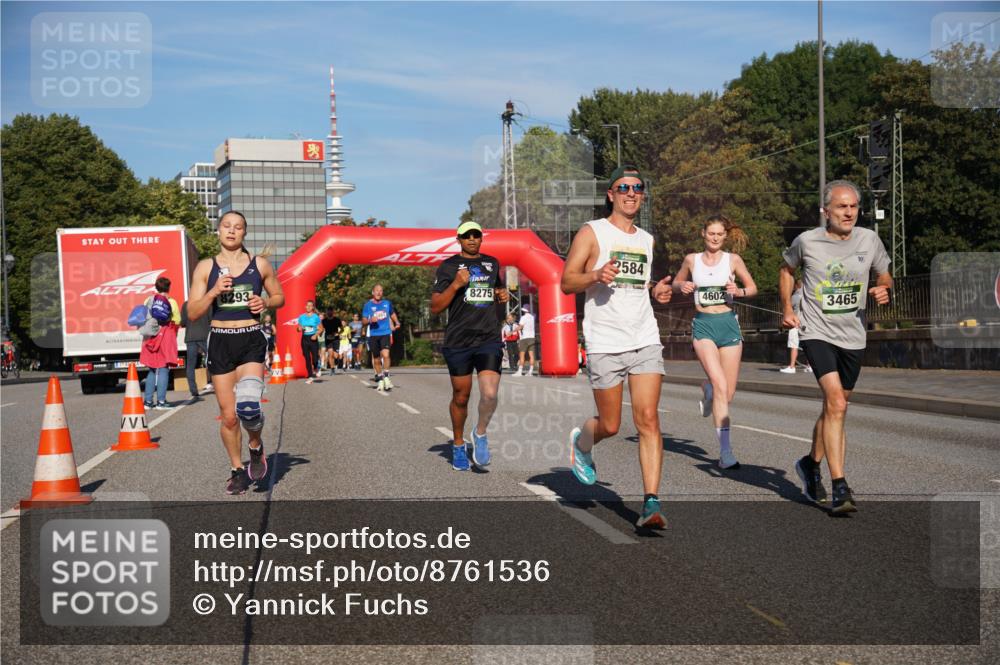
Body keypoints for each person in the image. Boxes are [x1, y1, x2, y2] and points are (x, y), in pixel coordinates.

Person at [560, 165, 673, 528]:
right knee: (610, 424)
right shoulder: (592, 232)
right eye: (623, 187)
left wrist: (657, 291)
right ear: (611, 194)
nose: (631, 192)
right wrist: (594, 275)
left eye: (638, 187)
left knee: (649, 419)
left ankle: (651, 503)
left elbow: (639, 284)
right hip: (605, 340)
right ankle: (583, 443)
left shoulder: (646, 239)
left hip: (644, 337)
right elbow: (566, 282)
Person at [781, 180, 892, 515]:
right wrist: (788, 308)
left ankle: (810, 464)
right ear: (825, 211)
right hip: (816, 331)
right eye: (841, 206)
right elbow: (786, 270)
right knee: (836, 403)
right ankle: (840, 486)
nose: (848, 212)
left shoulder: (869, 240)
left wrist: (883, 289)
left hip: (854, 336)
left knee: (836, 407)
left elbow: (885, 274)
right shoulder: (807, 241)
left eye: (853, 206)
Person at [188, 210, 284, 495]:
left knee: (249, 407)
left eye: (238, 227)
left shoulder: (260, 265)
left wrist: (265, 302)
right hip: (220, 341)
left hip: (250, 339)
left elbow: (280, 296)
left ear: (245, 233)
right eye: (227, 226)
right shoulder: (205, 268)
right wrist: (213, 292)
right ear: (218, 231)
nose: (232, 231)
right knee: (229, 417)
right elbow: (193, 312)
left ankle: (255, 446)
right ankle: (237, 469)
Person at [672, 214, 757, 470]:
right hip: (704, 325)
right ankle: (725, 452)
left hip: (729, 325)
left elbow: (752, 287)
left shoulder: (733, 260)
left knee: (726, 393)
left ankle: (708, 390)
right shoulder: (692, 259)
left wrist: (738, 291)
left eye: (720, 234)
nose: (716, 238)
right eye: (712, 234)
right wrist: (682, 286)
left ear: (725, 236)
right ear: (703, 234)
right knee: (721, 384)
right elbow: (676, 283)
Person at [430, 220, 509, 470]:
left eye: (476, 235)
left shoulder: (493, 263)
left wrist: (502, 297)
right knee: (461, 397)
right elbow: (435, 307)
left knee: (489, 394)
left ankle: (481, 433)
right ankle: (457, 444)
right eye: (467, 236)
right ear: (459, 239)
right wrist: (455, 284)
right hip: (459, 340)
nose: (472, 239)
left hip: (488, 338)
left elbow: (498, 296)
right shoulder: (448, 266)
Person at [140, 277, 181, 410]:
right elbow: (177, 320)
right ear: (169, 287)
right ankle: (161, 402)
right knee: (164, 368)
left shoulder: (148, 300)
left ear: (156, 287)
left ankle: (147, 402)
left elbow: (143, 316)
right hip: (165, 336)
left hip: (150, 336)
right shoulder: (171, 302)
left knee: (152, 369)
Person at [362, 284, 400, 391]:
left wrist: (396, 322)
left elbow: (392, 313)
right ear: (373, 292)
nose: (379, 292)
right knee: (377, 359)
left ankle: (386, 376)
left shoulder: (387, 303)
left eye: (381, 291)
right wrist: (370, 320)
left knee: (386, 354)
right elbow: (363, 320)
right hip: (374, 335)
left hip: (385, 333)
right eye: (377, 290)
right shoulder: (368, 305)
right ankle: (380, 379)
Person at [181, 300, 210, 400]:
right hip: (204, 335)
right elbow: (211, 320)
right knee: (213, 360)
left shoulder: (186, 304)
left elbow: (183, 322)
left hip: (190, 336)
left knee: (190, 365)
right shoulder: (207, 302)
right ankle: (219, 383)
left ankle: (194, 391)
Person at [780, 280, 811, 374]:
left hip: (795, 324)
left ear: (796, 286)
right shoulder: (808, 297)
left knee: (794, 345)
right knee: (808, 345)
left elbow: (787, 310)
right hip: (807, 324)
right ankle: (810, 366)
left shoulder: (795, 297)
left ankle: (792, 366)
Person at [296, 300, 321, 383]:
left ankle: (316, 367)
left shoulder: (316, 317)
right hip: (305, 339)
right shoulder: (301, 317)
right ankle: (310, 376)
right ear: (305, 306)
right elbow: (298, 328)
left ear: (313, 307)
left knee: (315, 358)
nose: (308, 307)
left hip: (313, 338)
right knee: (307, 358)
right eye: (307, 305)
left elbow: (321, 328)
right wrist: (299, 329)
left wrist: (316, 335)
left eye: (310, 306)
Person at [513, 307, 536, 376]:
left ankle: (520, 371)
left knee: (522, 354)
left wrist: (512, 331)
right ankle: (530, 371)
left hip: (525, 337)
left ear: (523, 311)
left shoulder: (523, 317)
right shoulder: (532, 317)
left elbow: (521, 327)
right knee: (531, 355)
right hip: (532, 337)